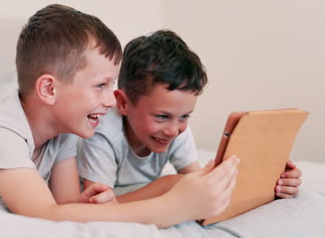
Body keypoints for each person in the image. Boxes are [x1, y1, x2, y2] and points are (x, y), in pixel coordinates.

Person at [0, 5, 239, 228]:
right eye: (101, 86)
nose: (111, 102)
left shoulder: (67, 131)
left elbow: (67, 204)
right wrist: (173, 209)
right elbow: (46, 215)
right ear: (50, 90)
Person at [78, 29, 302, 203]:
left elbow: (195, 178)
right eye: (162, 116)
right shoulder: (102, 133)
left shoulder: (176, 130)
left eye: (185, 116)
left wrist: (273, 181)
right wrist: (168, 186)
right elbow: (99, 205)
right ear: (124, 103)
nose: (174, 130)